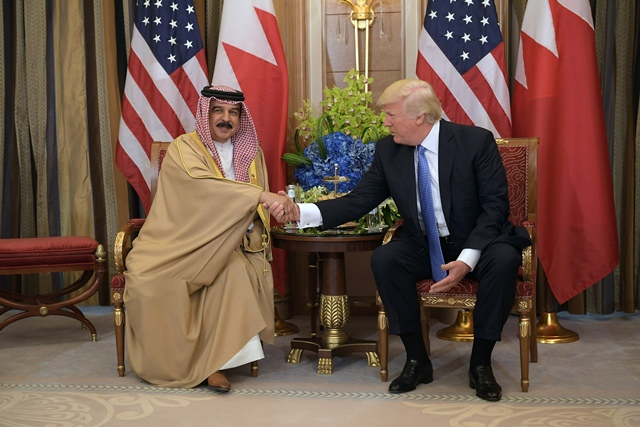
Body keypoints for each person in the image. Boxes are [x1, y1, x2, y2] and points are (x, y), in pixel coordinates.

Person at [272, 79, 531, 402]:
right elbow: (358, 201)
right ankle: (417, 360)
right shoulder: (388, 150)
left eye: (391, 115)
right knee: (386, 258)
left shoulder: (474, 142)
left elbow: (495, 208)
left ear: (420, 116)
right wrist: (299, 211)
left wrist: (466, 260)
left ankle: (480, 364)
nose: (385, 122)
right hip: (425, 243)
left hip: (480, 239)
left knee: (505, 260)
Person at [123, 85, 297, 393]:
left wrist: (277, 206)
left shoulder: (252, 152)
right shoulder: (183, 148)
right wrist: (261, 195)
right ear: (206, 113)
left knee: (234, 272)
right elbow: (201, 190)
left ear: (241, 118)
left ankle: (216, 365)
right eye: (218, 110)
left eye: (233, 112)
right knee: (149, 279)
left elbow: (259, 207)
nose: (226, 119)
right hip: (178, 241)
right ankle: (175, 363)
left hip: (235, 243)